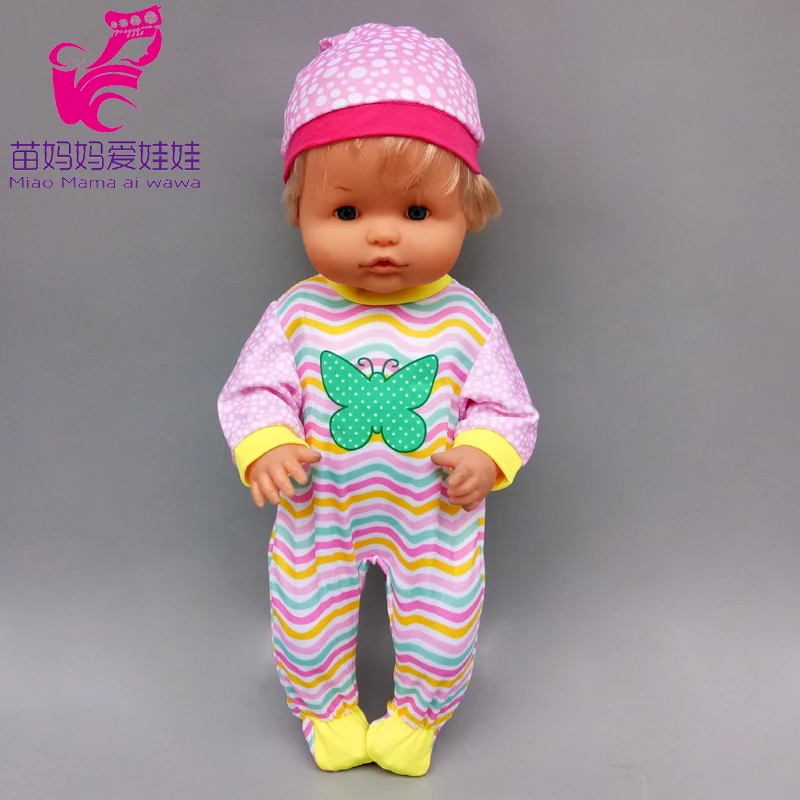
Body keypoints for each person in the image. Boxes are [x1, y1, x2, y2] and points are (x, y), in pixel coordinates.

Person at [218, 22, 539, 777]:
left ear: (469, 210)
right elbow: (255, 388)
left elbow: (507, 408)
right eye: (348, 213)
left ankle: (416, 719)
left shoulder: (467, 320)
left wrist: (484, 453)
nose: (383, 238)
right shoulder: (297, 314)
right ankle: (326, 711)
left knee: (444, 621)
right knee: (306, 616)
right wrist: (268, 443)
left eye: (417, 213)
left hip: (436, 515)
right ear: (299, 210)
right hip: (318, 509)